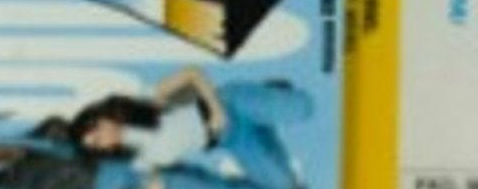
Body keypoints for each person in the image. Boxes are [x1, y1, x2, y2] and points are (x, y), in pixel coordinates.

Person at [71, 68, 312, 189]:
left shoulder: (146, 102)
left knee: (303, 108)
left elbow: (192, 74)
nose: (103, 139)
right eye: (96, 144)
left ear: (102, 117)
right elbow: (153, 182)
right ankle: (265, 127)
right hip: (234, 139)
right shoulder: (138, 159)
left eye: (97, 130)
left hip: (232, 104)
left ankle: (273, 92)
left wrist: (215, 109)